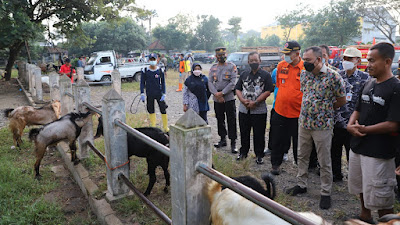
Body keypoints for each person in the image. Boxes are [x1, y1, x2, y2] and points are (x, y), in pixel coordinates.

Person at [286, 46, 346, 210]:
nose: (305, 63)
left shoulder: (333, 76)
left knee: (324, 160)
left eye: (308, 60)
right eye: (304, 60)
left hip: (322, 125)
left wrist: (325, 109)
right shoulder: (305, 74)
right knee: (302, 155)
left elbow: (341, 100)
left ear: (319, 59)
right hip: (304, 123)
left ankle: (325, 192)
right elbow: (305, 94)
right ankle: (301, 184)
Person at [347, 42, 400, 223]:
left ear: (387, 62)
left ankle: (387, 222)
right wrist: (350, 124)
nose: (367, 64)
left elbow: (393, 124)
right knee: (362, 185)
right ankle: (365, 216)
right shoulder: (368, 83)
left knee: (381, 193)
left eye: (372, 60)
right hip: (359, 147)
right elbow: (358, 108)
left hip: (379, 152)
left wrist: (364, 129)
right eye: (367, 60)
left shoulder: (396, 88)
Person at [331, 47, 369, 182]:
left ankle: (354, 178)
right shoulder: (337, 75)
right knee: (334, 150)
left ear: (358, 60)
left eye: (349, 59)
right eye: (344, 58)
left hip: (353, 124)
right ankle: (336, 174)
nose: (346, 61)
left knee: (351, 153)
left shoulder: (365, 78)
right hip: (337, 121)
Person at [270, 41, 303, 175]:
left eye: (288, 54)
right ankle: (275, 165)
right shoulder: (281, 66)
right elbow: (279, 85)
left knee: (298, 143)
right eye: (284, 54)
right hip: (280, 110)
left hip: (298, 114)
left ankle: (300, 167)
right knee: (277, 139)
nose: (286, 57)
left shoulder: (305, 68)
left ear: (297, 53)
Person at [235, 52, 273, 164]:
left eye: (256, 60)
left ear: (260, 61)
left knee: (259, 134)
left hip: (259, 110)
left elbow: (268, 91)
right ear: (248, 62)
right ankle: (243, 153)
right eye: (251, 60)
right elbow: (238, 88)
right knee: (244, 132)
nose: (254, 62)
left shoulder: (266, 75)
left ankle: (259, 155)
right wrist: (242, 100)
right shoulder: (244, 74)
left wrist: (256, 102)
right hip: (244, 109)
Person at [208, 47, 238, 153]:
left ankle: (233, 143)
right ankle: (222, 139)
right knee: (220, 120)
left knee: (231, 120)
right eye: (219, 55)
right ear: (216, 56)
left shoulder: (231, 66)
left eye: (224, 54)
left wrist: (222, 93)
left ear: (226, 54)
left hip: (229, 98)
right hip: (217, 98)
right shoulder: (213, 68)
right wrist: (216, 94)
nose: (222, 56)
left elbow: (233, 82)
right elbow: (210, 82)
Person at [140, 53, 169, 132]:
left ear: (157, 60)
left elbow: (163, 82)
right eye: (151, 59)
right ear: (149, 60)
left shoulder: (160, 70)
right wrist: (142, 93)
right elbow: (142, 83)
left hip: (159, 93)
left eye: (154, 59)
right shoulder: (145, 70)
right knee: (151, 109)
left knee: (163, 109)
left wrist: (164, 93)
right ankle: (153, 127)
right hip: (149, 93)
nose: (152, 61)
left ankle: (165, 127)